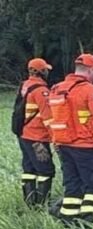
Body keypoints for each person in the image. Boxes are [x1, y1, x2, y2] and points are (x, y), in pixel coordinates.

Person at [44, 53, 93, 225]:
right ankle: (86, 223)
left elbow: (51, 117)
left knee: (73, 186)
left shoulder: (57, 88)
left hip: (63, 145)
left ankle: (67, 221)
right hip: (87, 145)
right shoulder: (88, 90)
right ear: (90, 70)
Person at [13, 58, 55, 207]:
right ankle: (42, 204)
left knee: (29, 168)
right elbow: (48, 117)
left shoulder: (25, 85)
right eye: (46, 69)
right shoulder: (41, 90)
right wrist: (56, 138)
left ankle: (30, 203)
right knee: (46, 170)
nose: (48, 72)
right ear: (41, 71)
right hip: (37, 137)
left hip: (23, 135)